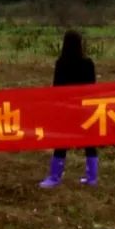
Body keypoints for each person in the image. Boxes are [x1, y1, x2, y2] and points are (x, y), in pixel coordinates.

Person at [40, 29, 99, 188]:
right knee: (89, 142)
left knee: (61, 143)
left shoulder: (61, 63)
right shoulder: (88, 63)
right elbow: (92, 87)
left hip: (66, 108)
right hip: (85, 108)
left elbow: (56, 87)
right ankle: (92, 177)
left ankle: (55, 177)